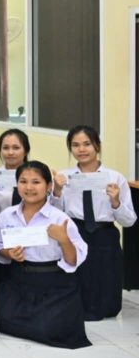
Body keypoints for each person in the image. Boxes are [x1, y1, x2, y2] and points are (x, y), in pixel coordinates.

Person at [0, 160, 90, 349]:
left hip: (54, 283)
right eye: (23, 182)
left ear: (48, 186)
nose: (29, 188)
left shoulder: (59, 218)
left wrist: (64, 240)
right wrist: (9, 253)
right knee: (4, 323)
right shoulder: (6, 215)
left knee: (51, 330)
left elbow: (73, 260)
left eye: (36, 182)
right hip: (19, 279)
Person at [51, 125, 135, 321]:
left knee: (105, 277)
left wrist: (116, 202)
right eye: (75, 145)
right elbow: (54, 214)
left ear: (97, 145)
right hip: (75, 232)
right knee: (77, 275)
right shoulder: (64, 177)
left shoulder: (115, 178)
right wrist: (57, 191)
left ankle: (106, 308)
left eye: (87, 144)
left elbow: (129, 221)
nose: (81, 149)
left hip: (104, 233)